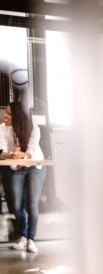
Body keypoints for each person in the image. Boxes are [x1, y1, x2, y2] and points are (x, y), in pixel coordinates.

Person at [0, 102, 46, 253]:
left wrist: (22, 154)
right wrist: (10, 154)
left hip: (35, 166)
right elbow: (1, 150)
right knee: (17, 205)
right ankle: (22, 236)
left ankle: (31, 240)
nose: (5, 116)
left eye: (9, 114)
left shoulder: (34, 128)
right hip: (15, 166)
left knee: (32, 203)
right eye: (5, 113)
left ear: (18, 117)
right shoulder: (2, 128)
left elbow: (31, 151)